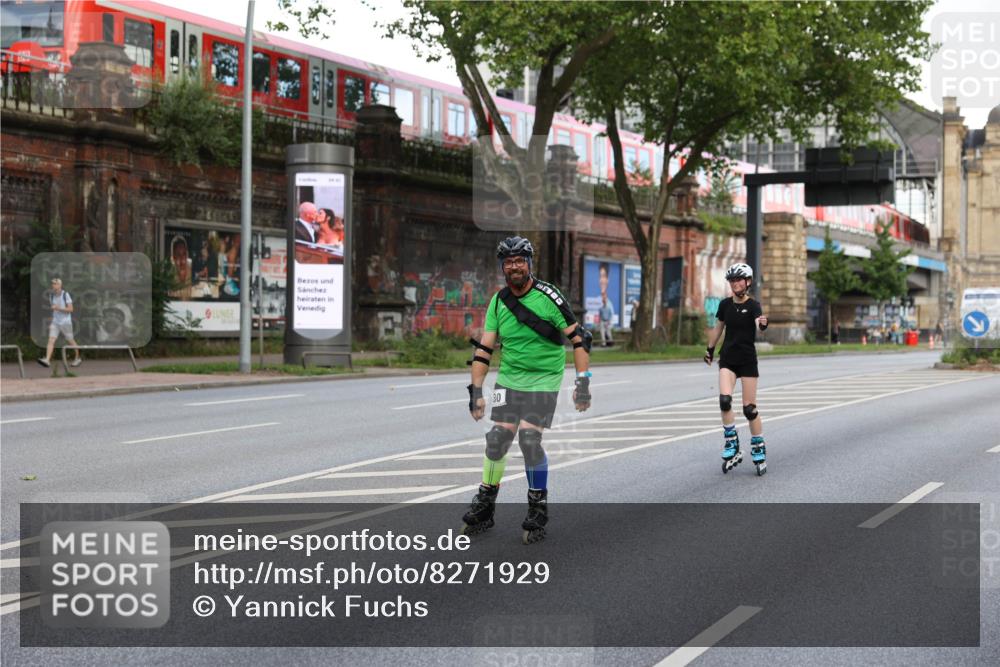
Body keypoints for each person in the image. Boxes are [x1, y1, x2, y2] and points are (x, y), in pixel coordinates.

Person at [463, 236, 592, 544]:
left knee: (529, 439)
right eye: (508, 262)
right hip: (508, 378)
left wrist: (582, 384)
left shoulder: (549, 296)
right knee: (497, 438)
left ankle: (537, 506)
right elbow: (484, 349)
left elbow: (580, 340)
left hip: (544, 378)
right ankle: (486, 502)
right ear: (502, 267)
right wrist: (475, 390)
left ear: (530, 264)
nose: (514, 266)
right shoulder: (498, 301)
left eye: (520, 260)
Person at [704, 263, 768, 475]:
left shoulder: (754, 306)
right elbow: (718, 328)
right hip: (728, 359)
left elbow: (759, 325)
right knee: (724, 401)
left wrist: (763, 324)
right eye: (732, 280)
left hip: (747, 360)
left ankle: (758, 446)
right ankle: (732, 443)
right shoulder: (724, 305)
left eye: (739, 280)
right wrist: (710, 349)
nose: (735, 283)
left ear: (748, 282)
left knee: (750, 410)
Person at [38, 278, 82, 368]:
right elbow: (54, 310)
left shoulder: (65, 295)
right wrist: (52, 321)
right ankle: (47, 360)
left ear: (60, 285)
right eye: (53, 284)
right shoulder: (51, 296)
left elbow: (71, 309)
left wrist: (59, 308)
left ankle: (77, 358)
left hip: (66, 322)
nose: (53, 285)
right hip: (56, 322)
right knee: (51, 340)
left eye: (55, 284)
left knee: (70, 341)